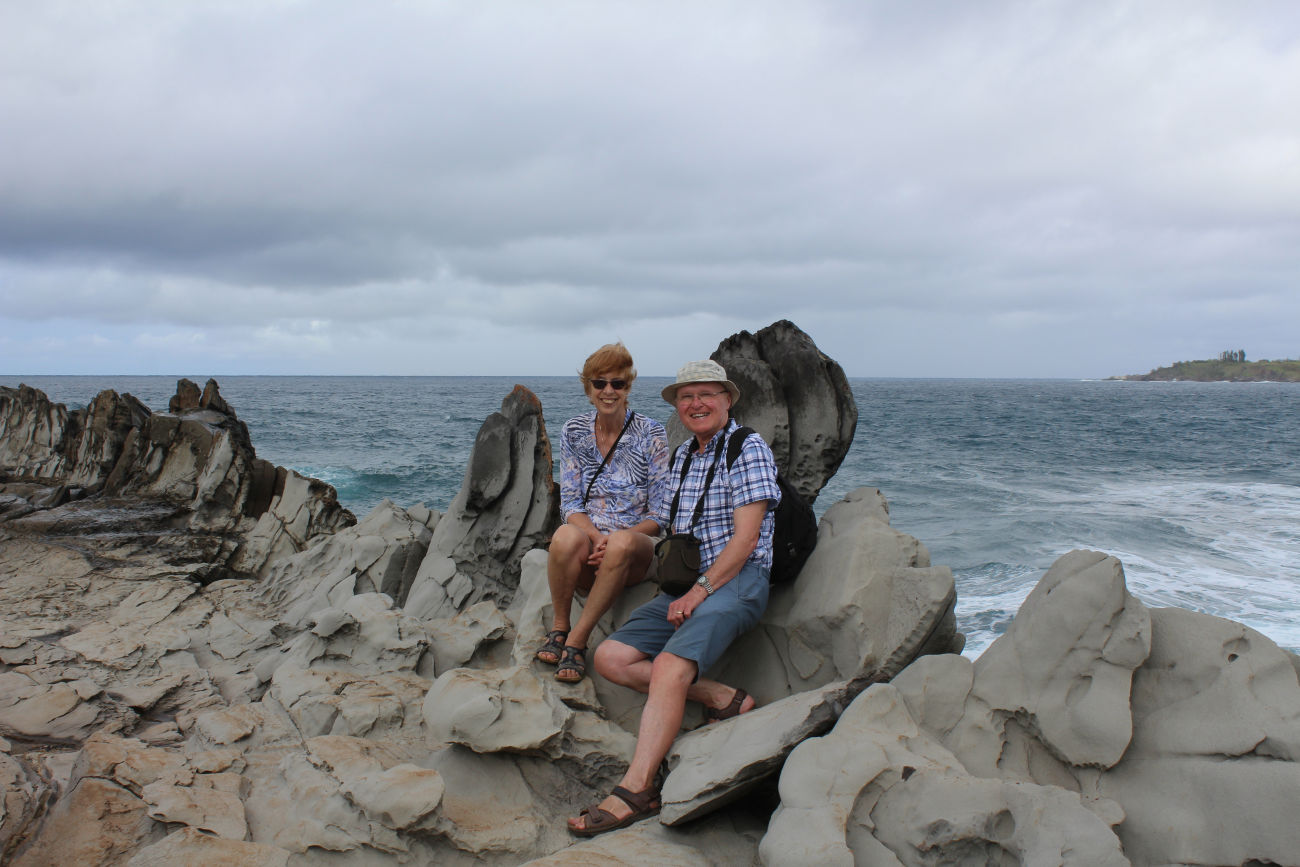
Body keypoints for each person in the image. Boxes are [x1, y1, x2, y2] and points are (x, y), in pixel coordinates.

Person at [567, 359, 780, 837]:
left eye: (707, 395)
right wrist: (610, 537)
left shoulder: (747, 449)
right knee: (612, 658)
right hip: (688, 583)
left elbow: (745, 540)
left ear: (727, 400)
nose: (696, 404)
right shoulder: (684, 456)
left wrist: (701, 592)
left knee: (667, 666)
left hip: (737, 580)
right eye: (687, 397)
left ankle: (637, 789)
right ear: (678, 408)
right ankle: (724, 697)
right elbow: (663, 517)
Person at [538, 343, 670, 684]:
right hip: (591, 542)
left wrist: (615, 540)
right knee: (565, 535)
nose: (608, 391)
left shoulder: (650, 433)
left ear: (628, 387)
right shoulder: (574, 431)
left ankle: (577, 642)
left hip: (635, 545)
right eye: (600, 383)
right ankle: (559, 627)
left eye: (618, 384)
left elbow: (661, 512)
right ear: (588, 387)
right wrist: (597, 537)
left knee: (623, 543)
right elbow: (570, 503)